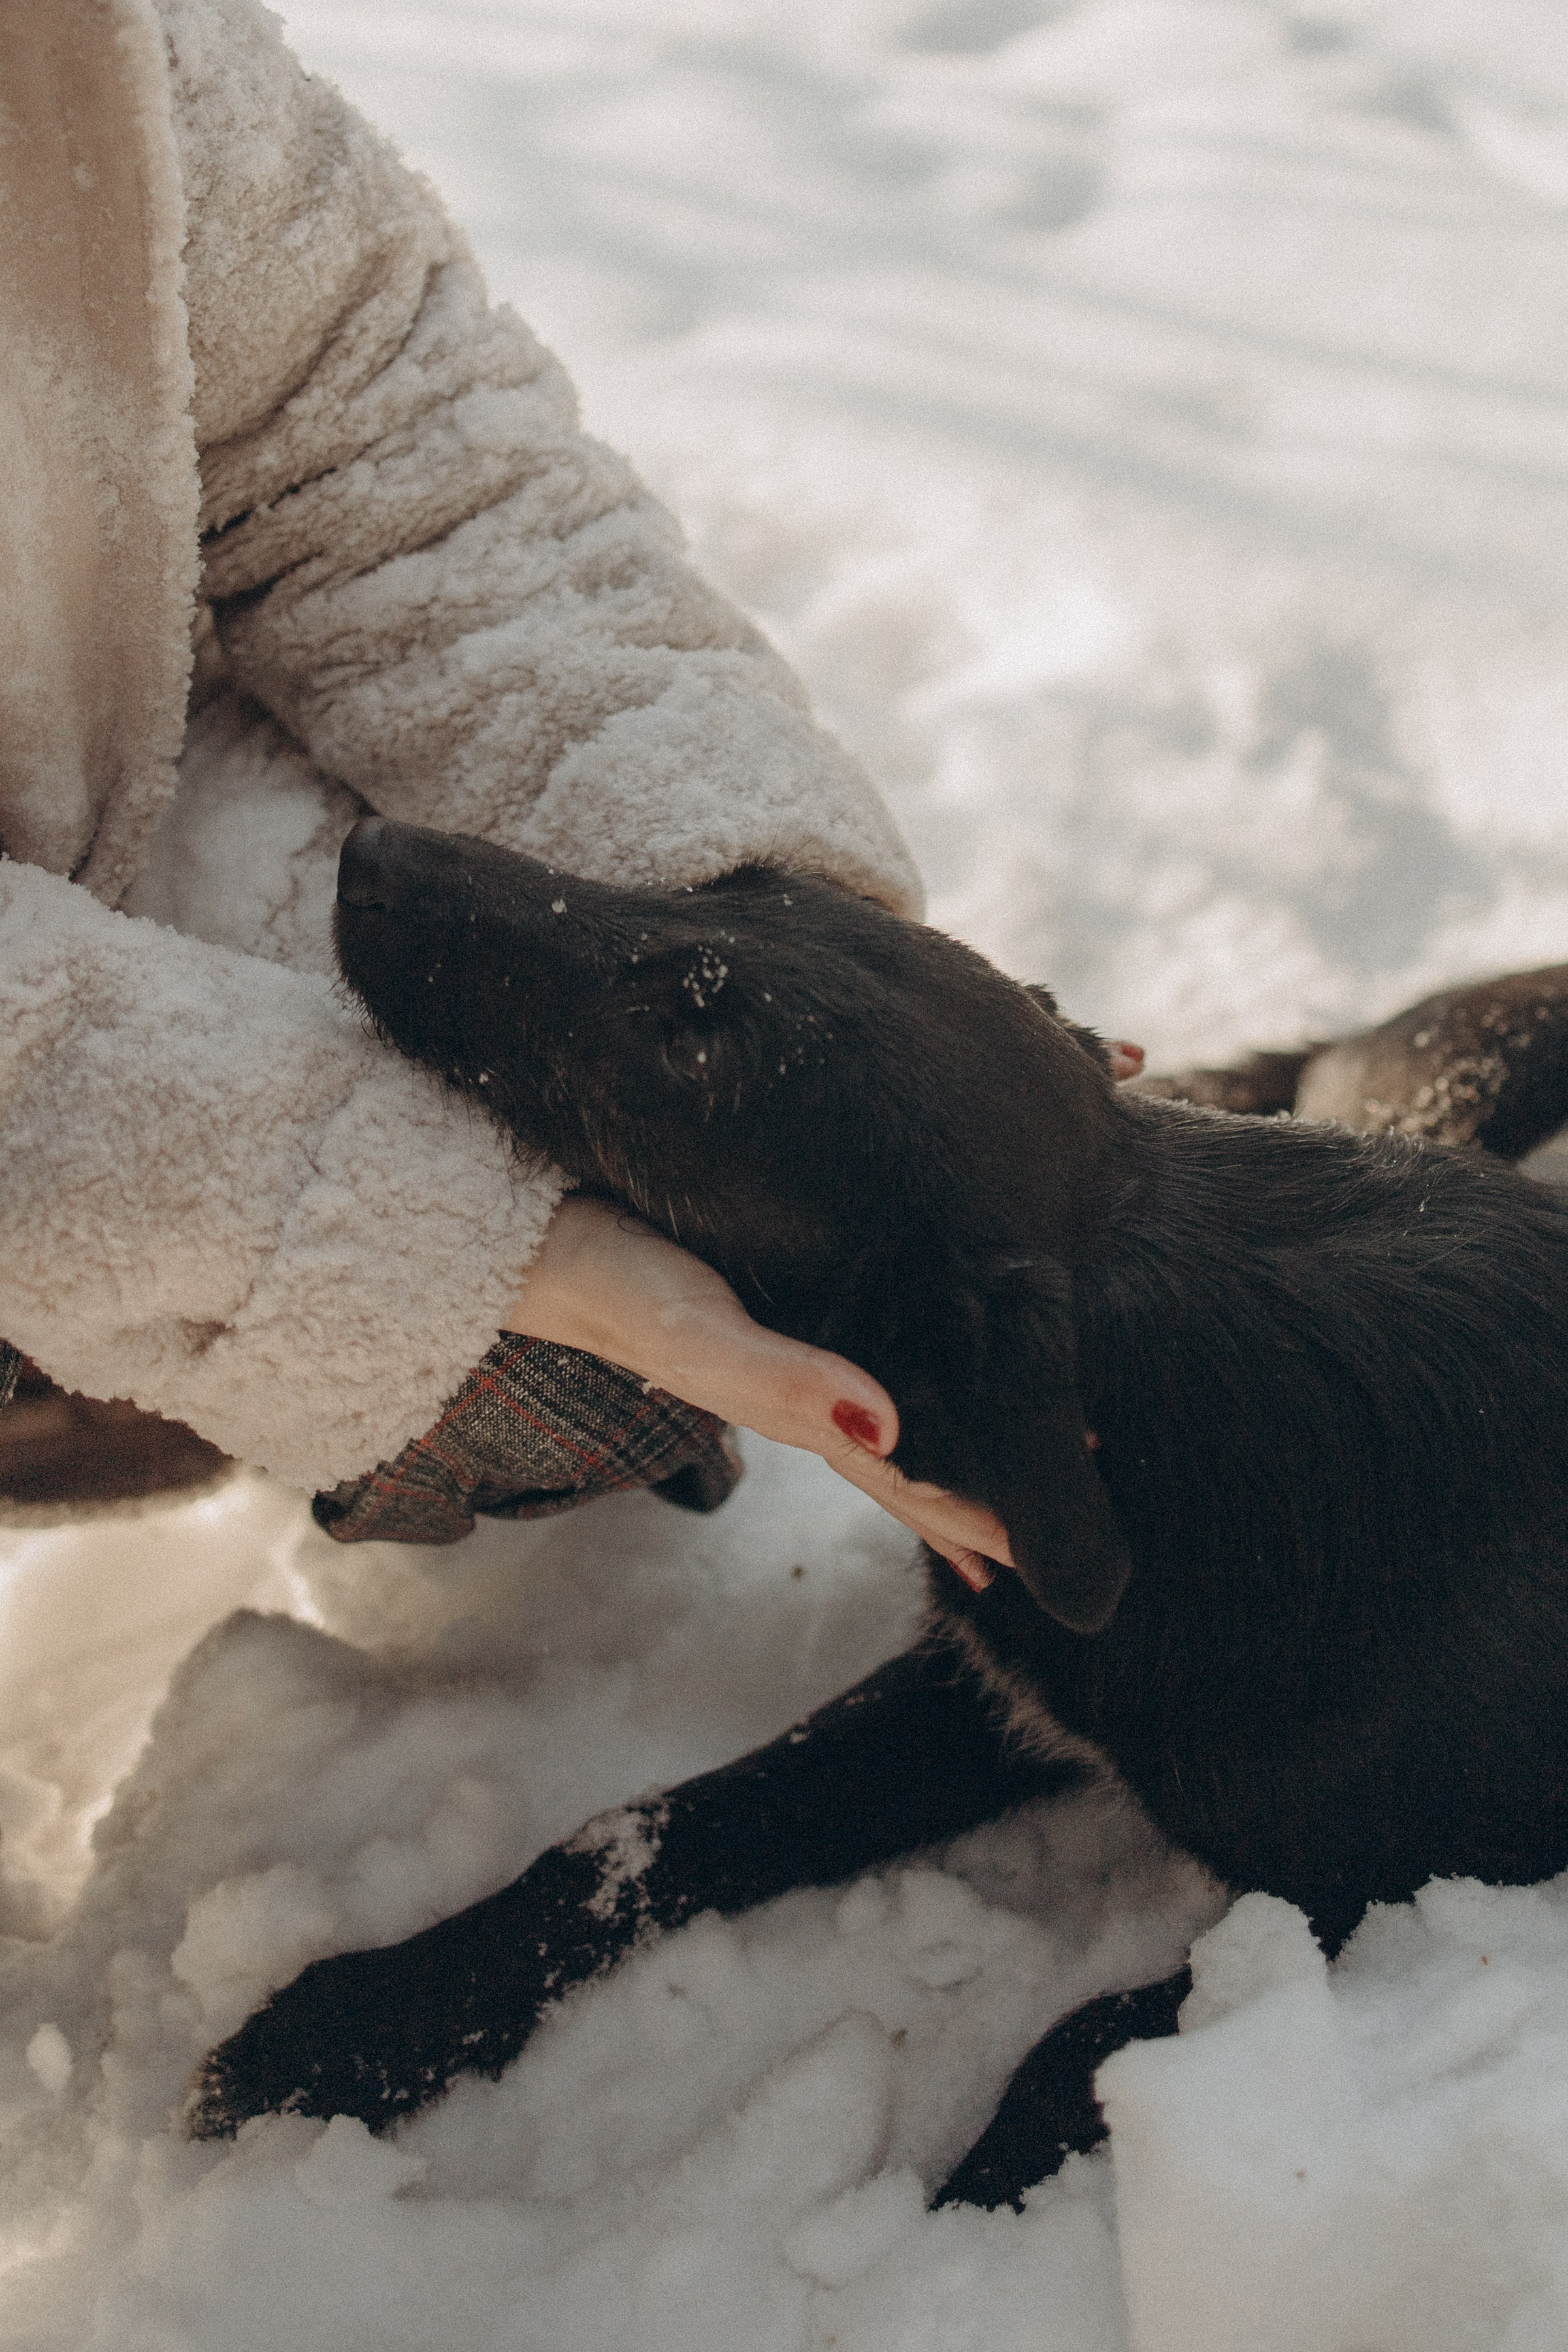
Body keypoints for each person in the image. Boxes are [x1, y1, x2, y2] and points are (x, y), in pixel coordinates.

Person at [0, 0, 1013, 1576]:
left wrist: (764, 962)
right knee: (469, 1310)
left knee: (592, 1349)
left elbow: (392, 466)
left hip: (81, 825)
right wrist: (449, 1243)